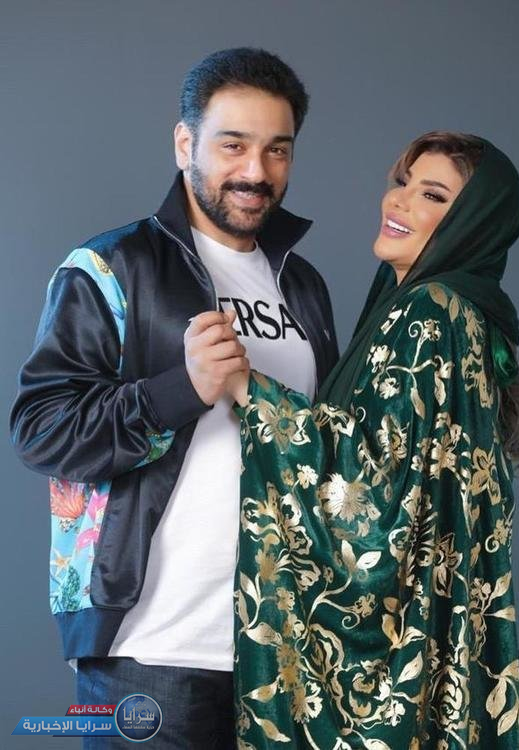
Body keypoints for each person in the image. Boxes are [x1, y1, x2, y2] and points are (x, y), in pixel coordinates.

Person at [10, 48, 338, 748]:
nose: (256, 172)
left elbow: (325, 447)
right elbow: (40, 429)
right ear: (185, 144)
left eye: (277, 150)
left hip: (286, 654)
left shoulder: (303, 286)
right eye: (233, 145)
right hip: (149, 651)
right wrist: (178, 392)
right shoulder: (111, 266)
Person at [217, 131, 519, 748]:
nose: (399, 201)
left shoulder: (428, 311)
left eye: (433, 196)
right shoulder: (465, 316)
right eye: (403, 183)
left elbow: (371, 489)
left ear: (473, 225)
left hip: (396, 665)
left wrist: (246, 387)